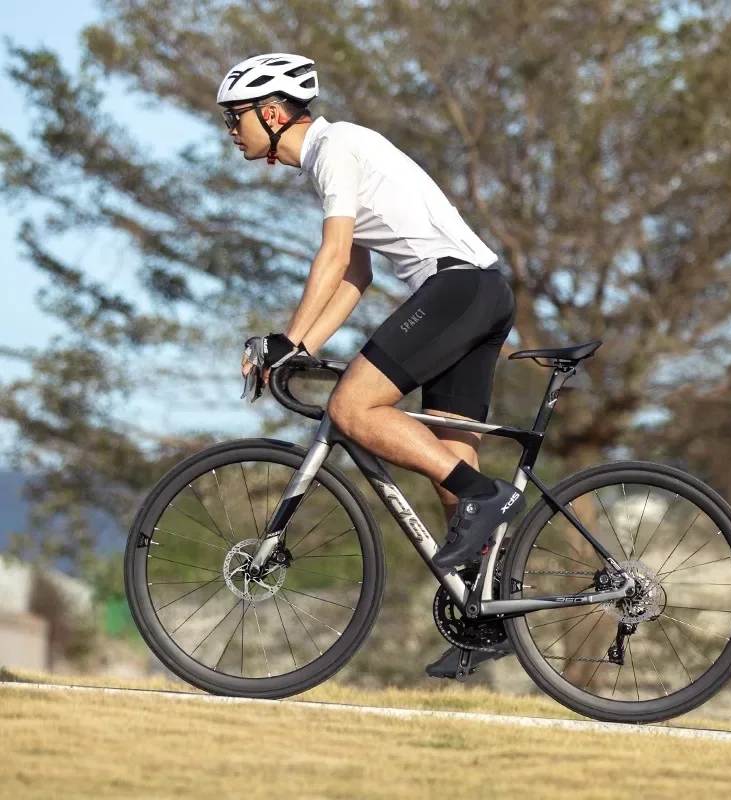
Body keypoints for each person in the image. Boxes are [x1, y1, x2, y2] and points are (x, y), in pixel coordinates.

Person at [218, 53, 523, 676]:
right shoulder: (336, 155)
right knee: (445, 457)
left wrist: (286, 338)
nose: (231, 131)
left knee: (352, 408)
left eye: (236, 117)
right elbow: (356, 273)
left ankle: (486, 496)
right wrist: (300, 347)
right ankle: (488, 614)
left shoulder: (336, 150)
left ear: (273, 113)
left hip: (456, 290)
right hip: (481, 291)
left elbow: (333, 254)